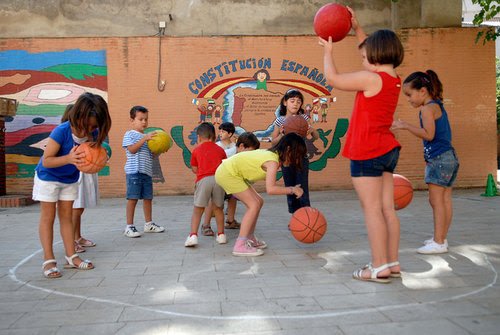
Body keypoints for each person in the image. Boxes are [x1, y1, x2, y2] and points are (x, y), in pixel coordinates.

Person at [319, 7, 404, 283]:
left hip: (367, 151)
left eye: (365, 57)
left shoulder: (371, 78)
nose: (362, 59)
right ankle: (391, 262)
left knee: (372, 211)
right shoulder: (393, 80)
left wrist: (328, 52)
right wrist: (357, 29)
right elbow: (369, 50)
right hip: (387, 150)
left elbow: (333, 80)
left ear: (376, 56)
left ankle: (378, 267)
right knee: (387, 209)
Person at [34, 92, 111, 278]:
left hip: (69, 179)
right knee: (48, 217)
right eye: (88, 125)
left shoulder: (93, 133)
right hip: (48, 177)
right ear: (78, 117)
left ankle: (71, 256)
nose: (91, 129)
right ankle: (49, 260)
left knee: (67, 217)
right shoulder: (61, 131)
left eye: (95, 126)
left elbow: (92, 155)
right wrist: (69, 158)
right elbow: (47, 161)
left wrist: (98, 159)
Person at [391, 70, 459, 254]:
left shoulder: (426, 109)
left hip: (438, 159)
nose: (408, 99)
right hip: (449, 157)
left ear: (422, 91)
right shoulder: (437, 105)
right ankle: (441, 239)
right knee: (445, 200)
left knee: (436, 201)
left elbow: (429, 134)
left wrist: (405, 125)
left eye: (409, 94)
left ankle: (438, 242)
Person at [215, 133, 306, 257]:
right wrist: (292, 190)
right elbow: (271, 189)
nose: (296, 160)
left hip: (231, 172)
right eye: (297, 155)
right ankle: (240, 245)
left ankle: (250, 238)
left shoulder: (271, 156)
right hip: (227, 173)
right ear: (288, 150)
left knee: (258, 201)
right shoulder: (272, 161)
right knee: (253, 204)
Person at [271, 89, 319, 214]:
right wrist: (281, 135)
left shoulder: (303, 118)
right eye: (292, 101)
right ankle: (295, 218)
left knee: (303, 187)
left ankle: (306, 215)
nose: (296, 104)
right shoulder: (280, 120)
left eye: (299, 101)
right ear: (285, 102)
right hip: (286, 159)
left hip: (301, 158)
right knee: (290, 188)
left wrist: (312, 131)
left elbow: (315, 137)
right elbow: (273, 141)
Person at [122, 106, 165, 238]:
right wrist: (144, 139)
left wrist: (159, 150)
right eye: (140, 119)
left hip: (146, 172)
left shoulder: (147, 137)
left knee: (148, 198)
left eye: (146, 119)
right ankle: (129, 226)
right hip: (134, 172)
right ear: (132, 120)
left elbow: (150, 155)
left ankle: (149, 224)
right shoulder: (129, 134)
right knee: (132, 198)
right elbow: (132, 150)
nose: (144, 122)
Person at [61, 104, 98, 253]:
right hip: (77, 173)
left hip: (87, 171)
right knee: (76, 208)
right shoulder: (66, 133)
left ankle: (78, 236)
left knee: (80, 206)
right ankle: (72, 241)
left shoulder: (91, 133)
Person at [185, 122, 228, 247]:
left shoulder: (196, 150)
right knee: (218, 208)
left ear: (198, 137)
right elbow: (224, 165)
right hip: (219, 179)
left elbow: (194, 168)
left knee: (198, 209)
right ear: (214, 137)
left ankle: (193, 235)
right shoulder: (220, 150)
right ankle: (221, 235)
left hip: (203, 179)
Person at [203, 122, 238, 234]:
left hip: (231, 178)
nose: (220, 133)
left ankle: (230, 221)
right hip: (217, 178)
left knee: (233, 198)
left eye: (223, 131)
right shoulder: (216, 146)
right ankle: (206, 225)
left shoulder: (235, 147)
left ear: (230, 133)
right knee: (212, 202)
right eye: (220, 131)